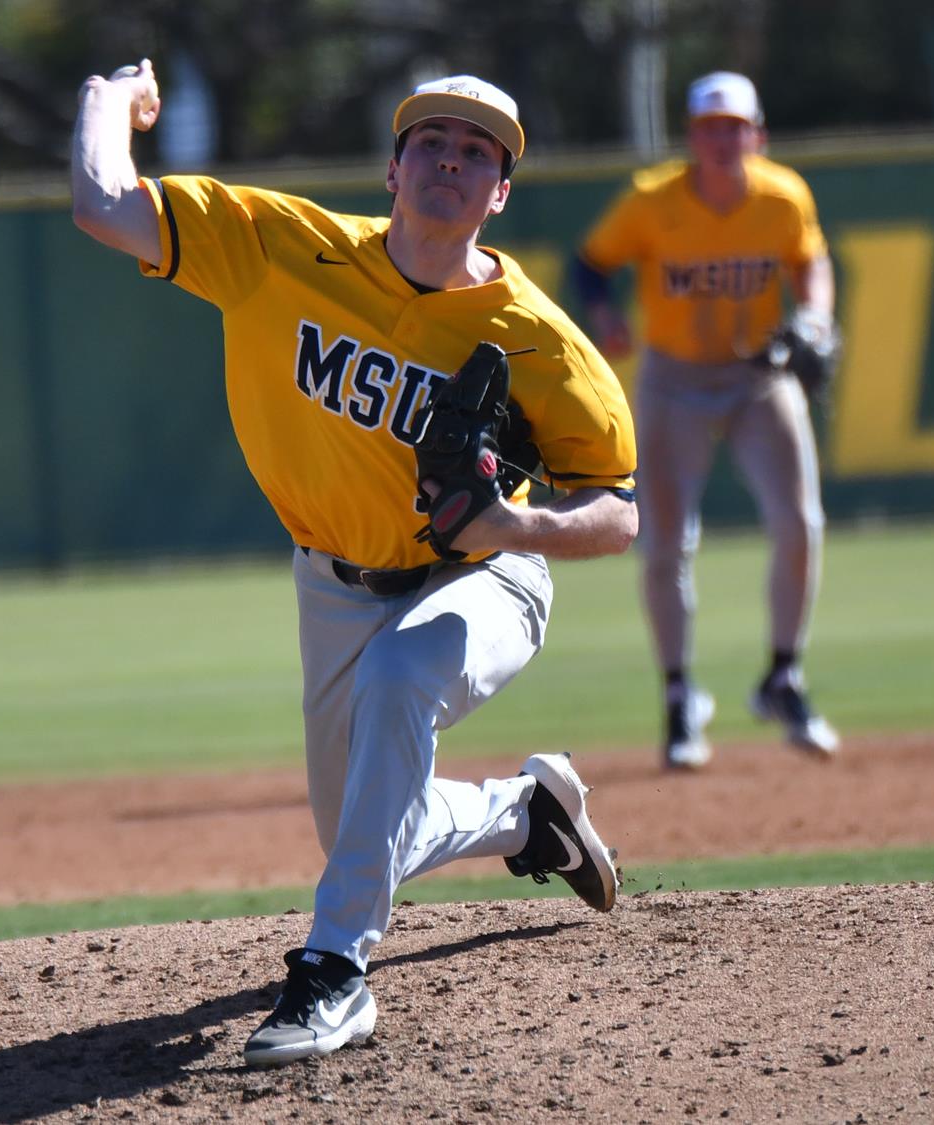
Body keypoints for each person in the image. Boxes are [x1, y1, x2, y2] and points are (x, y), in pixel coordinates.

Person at [70, 61, 640, 1067]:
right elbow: (102, 204)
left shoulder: (539, 341)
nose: (451, 162)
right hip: (331, 584)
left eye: (477, 154)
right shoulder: (279, 249)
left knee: (398, 681)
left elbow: (615, 513)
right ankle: (526, 815)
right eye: (433, 143)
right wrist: (109, 99)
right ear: (392, 168)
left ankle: (333, 970)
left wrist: (515, 531)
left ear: (499, 194)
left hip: (482, 579)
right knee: (360, 830)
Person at [571, 70, 840, 771]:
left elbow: (812, 263)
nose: (723, 139)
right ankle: (680, 696)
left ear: (758, 134)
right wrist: (604, 315)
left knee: (799, 522)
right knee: (665, 545)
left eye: (735, 127)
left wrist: (813, 315)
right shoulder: (652, 198)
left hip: (758, 375)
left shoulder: (783, 195)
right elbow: (591, 264)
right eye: (710, 128)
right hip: (674, 380)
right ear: (692, 137)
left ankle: (784, 676)